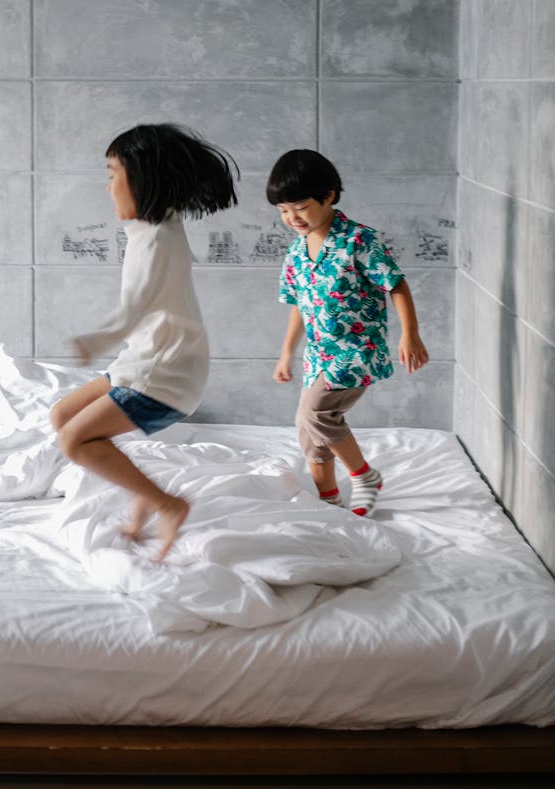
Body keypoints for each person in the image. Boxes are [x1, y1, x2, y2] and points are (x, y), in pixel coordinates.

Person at [51, 123, 238, 560]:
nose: (109, 185)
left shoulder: (155, 240)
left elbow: (132, 308)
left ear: (142, 180)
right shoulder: (155, 229)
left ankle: (168, 504)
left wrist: (92, 341)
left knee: (75, 441)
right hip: (144, 360)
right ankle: (144, 495)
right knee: (63, 414)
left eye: (114, 173)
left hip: (163, 372)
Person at [266, 149, 429, 517]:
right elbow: (299, 305)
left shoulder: (358, 240)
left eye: (300, 207)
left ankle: (364, 476)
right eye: (283, 211)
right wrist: (286, 353)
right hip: (318, 353)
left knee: (316, 416)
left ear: (329, 196)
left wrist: (410, 334)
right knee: (308, 431)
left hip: (356, 349)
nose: (292, 218)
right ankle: (330, 503)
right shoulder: (295, 252)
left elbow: (396, 285)